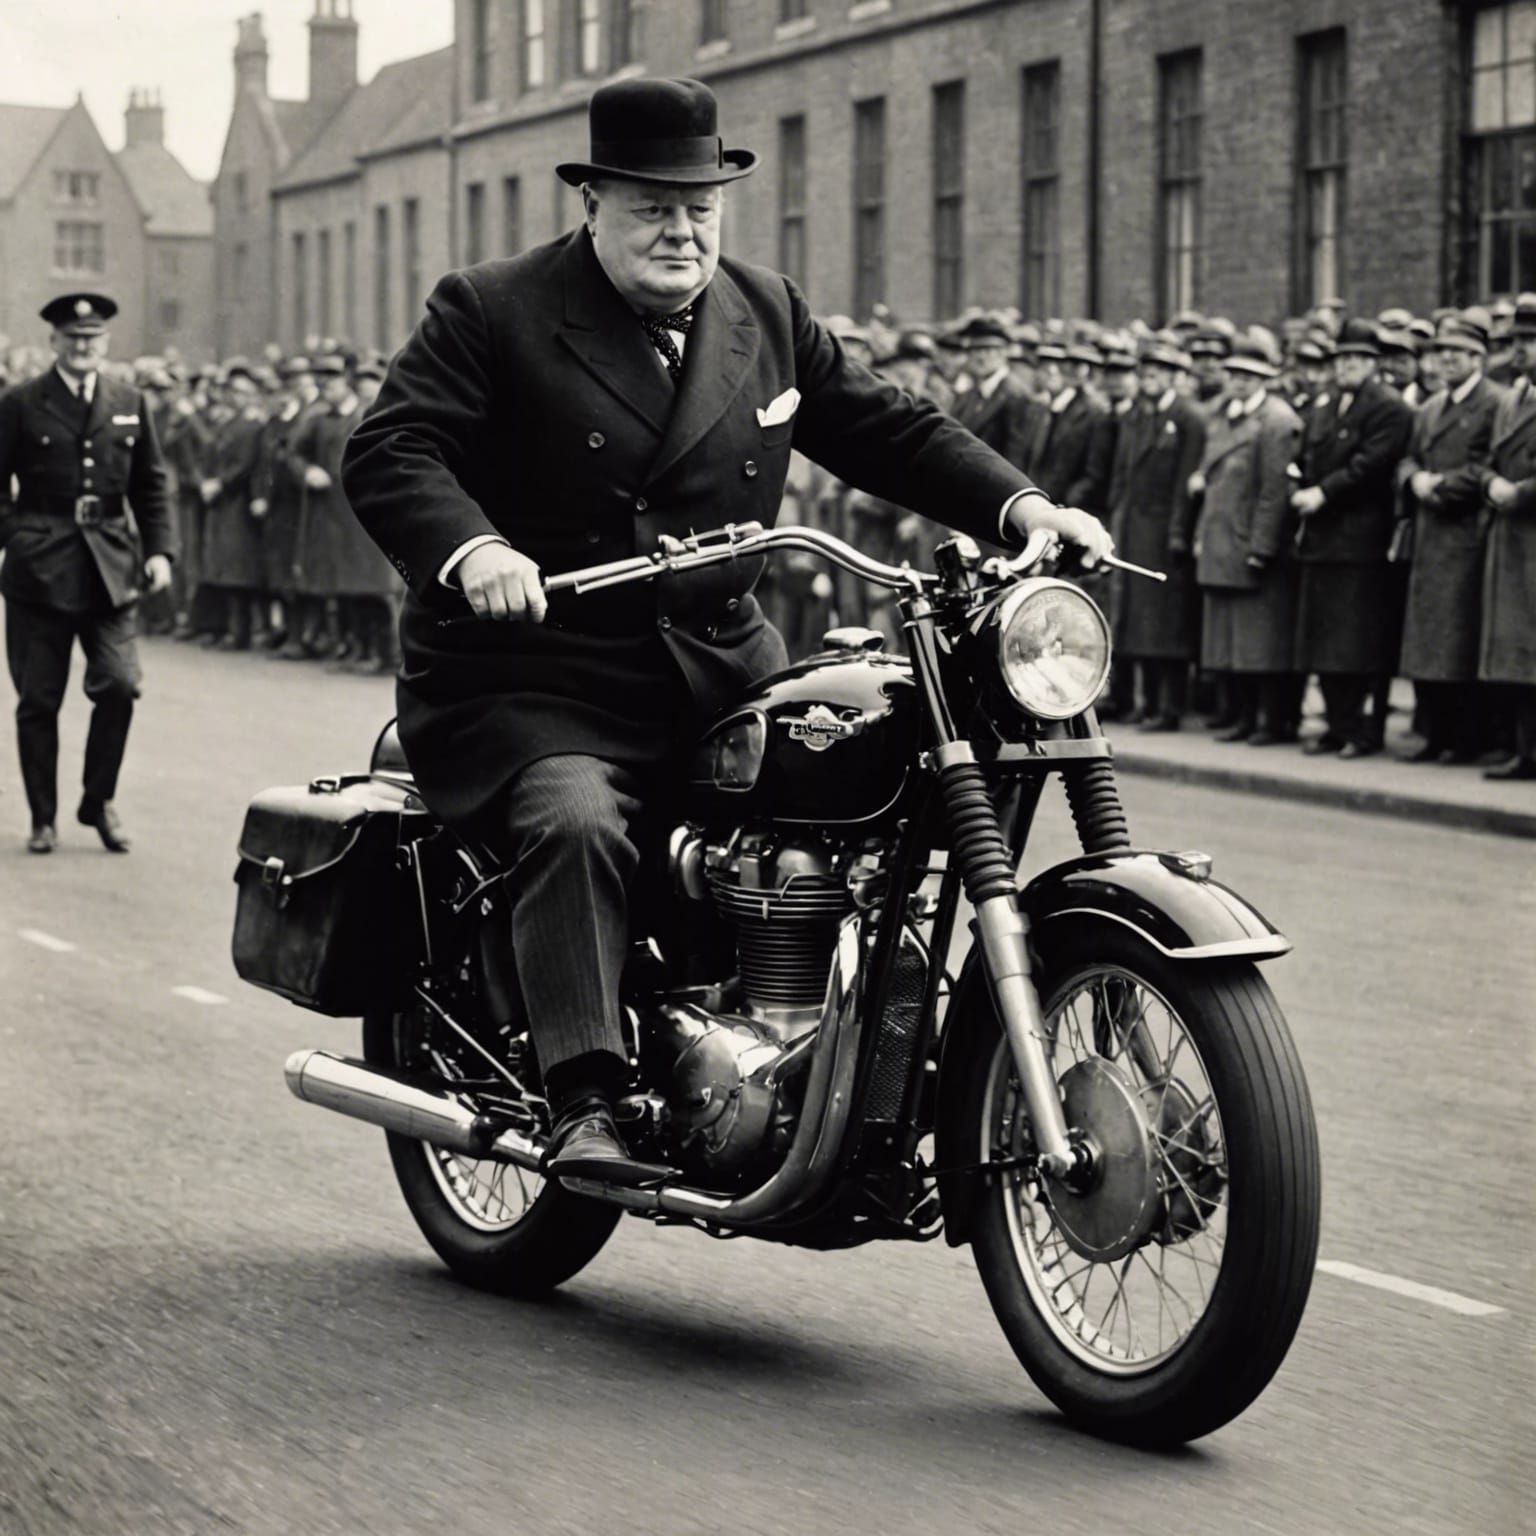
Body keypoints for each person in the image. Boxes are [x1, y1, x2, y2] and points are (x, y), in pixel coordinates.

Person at [341, 77, 1111, 1187]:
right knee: (576, 817)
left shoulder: (764, 309)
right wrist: (479, 552)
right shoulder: (493, 307)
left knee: (868, 785)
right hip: (533, 671)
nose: (683, 226)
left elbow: (887, 427)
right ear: (595, 201)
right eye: (654, 202)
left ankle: (823, 1046)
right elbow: (394, 448)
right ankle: (584, 1098)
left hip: (715, 664)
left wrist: (1023, 507)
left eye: (701, 202)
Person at [0, 293, 175, 853]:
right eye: (73, 338)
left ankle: (97, 802)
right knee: (39, 700)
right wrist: (15, 539)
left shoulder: (130, 401)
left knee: (120, 685)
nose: (83, 347)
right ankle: (43, 818)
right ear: (54, 342)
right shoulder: (22, 402)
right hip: (40, 568)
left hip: (111, 566)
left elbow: (151, 484)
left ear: (106, 343)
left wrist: (159, 552)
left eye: (93, 339)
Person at [1291, 319, 1414, 757]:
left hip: (1362, 539)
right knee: (1326, 639)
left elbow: (1371, 464)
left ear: (1373, 364)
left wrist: (1322, 491)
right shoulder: (1328, 405)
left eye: (1358, 359)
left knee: (1360, 643)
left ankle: (1363, 729)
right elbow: (1307, 455)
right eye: (1342, 358)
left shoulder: (1389, 408)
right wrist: (1301, 482)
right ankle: (1338, 724)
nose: (1348, 365)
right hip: (1324, 539)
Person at [1396, 309, 1502, 763]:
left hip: (1464, 534)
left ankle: (1464, 737)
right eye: (1443, 353)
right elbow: (1408, 457)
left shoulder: (1493, 404)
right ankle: (1435, 733)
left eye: (1460, 353)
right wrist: (1414, 478)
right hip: (1429, 534)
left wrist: (1441, 486)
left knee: (1459, 638)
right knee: (1429, 640)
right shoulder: (1430, 407)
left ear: (1479, 358)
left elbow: (1487, 466)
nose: (1449, 361)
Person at [1190, 333, 1303, 745]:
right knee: (1227, 637)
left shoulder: (1276, 421)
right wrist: (1202, 532)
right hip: (1222, 536)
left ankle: (1267, 720)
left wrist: (1262, 546)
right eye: (1235, 373)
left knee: (1259, 640)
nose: (1239, 381)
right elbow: (1211, 482)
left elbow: (1274, 492)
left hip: (1249, 539)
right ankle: (1236, 711)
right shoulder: (1223, 416)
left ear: (1265, 379)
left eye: (1249, 375)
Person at [1110, 335, 1205, 730]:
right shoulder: (1135, 415)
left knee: (1167, 626)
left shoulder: (1187, 418)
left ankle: (1169, 708)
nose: (1150, 377)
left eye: (1159, 371)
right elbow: (1121, 474)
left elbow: (1186, 481)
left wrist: (1179, 533)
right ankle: (1144, 703)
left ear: (1174, 376)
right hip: (1133, 529)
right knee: (1138, 623)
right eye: (1145, 371)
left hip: (1165, 532)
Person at [1478, 295, 1536, 780]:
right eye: (1516, 341)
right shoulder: (1513, 396)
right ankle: (1524, 748)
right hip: (1511, 537)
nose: (1521, 350)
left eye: (1531, 341)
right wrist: (1489, 483)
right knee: (1517, 650)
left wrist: (1520, 492)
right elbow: (1488, 459)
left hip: (1529, 531)